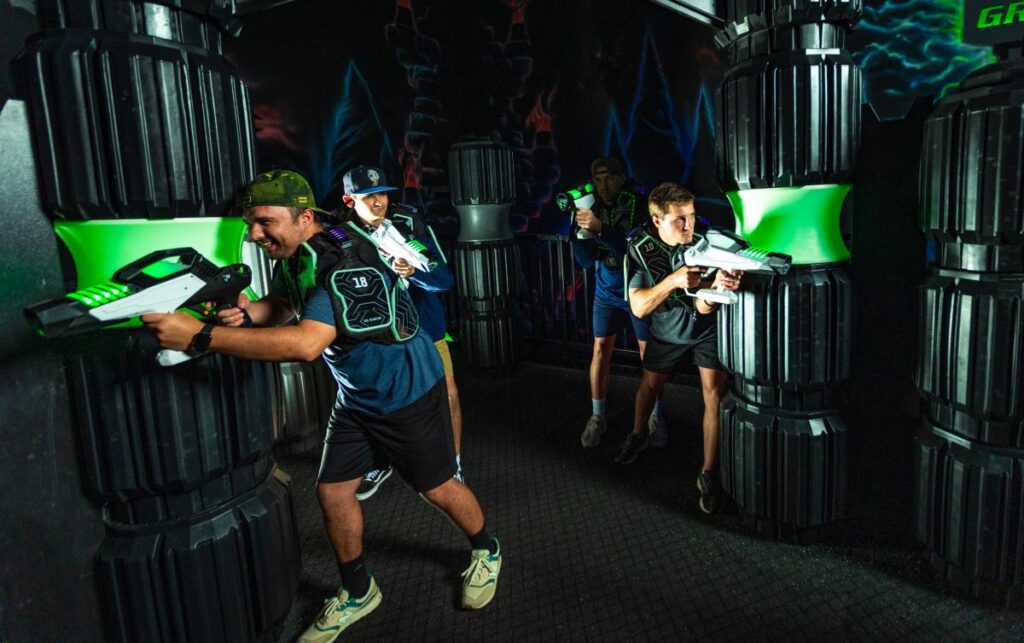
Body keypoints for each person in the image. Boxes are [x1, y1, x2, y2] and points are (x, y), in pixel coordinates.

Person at [141, 170, 502, 642]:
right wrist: (246, 315)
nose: (255, 234)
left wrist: (202, 336)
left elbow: (307, 343)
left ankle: (486, 548)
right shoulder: (300, 253)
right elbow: (286, 305)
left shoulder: (341, 260)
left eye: (265, 222)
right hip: (357, 397)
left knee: (436, 488)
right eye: (251, 224)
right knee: (332, 492)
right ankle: (358, 590)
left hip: (406, 392)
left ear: (304, 217)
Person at [339, 165, 467, 499]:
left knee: (448, 395)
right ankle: (381, 460)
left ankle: (453, 466)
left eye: (382, 194)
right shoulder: (339, 237)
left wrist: (413, 271)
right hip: (378, 336)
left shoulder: (409, 223)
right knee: (377, 402)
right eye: (368, 196)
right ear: (350, 201)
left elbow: (443, 278)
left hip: (425, 328)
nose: (378, 202)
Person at [617, 182, 742, 515]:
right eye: (679, 219)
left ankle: (709, 472)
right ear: (658, 220)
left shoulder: (705, 244)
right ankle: (638, 434)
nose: (689, 225)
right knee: (650, 385)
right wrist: (674, 280)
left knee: (714, 394)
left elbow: (702, 306)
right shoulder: (640, 249)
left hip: (705, 329)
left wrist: (718, 287)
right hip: (666, 330)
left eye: (692, 216)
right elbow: (639, 307)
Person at [571, 156, 662, 448]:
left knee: (649, 355)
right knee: (600, 350)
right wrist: (579, 229)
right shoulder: (591, 205)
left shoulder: (639, 202)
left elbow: (634, 249)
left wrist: (601, 229)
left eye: (609, 178)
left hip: (638, 286)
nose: (603, 185)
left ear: (621, 176)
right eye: (598, 180)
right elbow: (585, 260)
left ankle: (655, 416)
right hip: (606, 288)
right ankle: (598, 416)